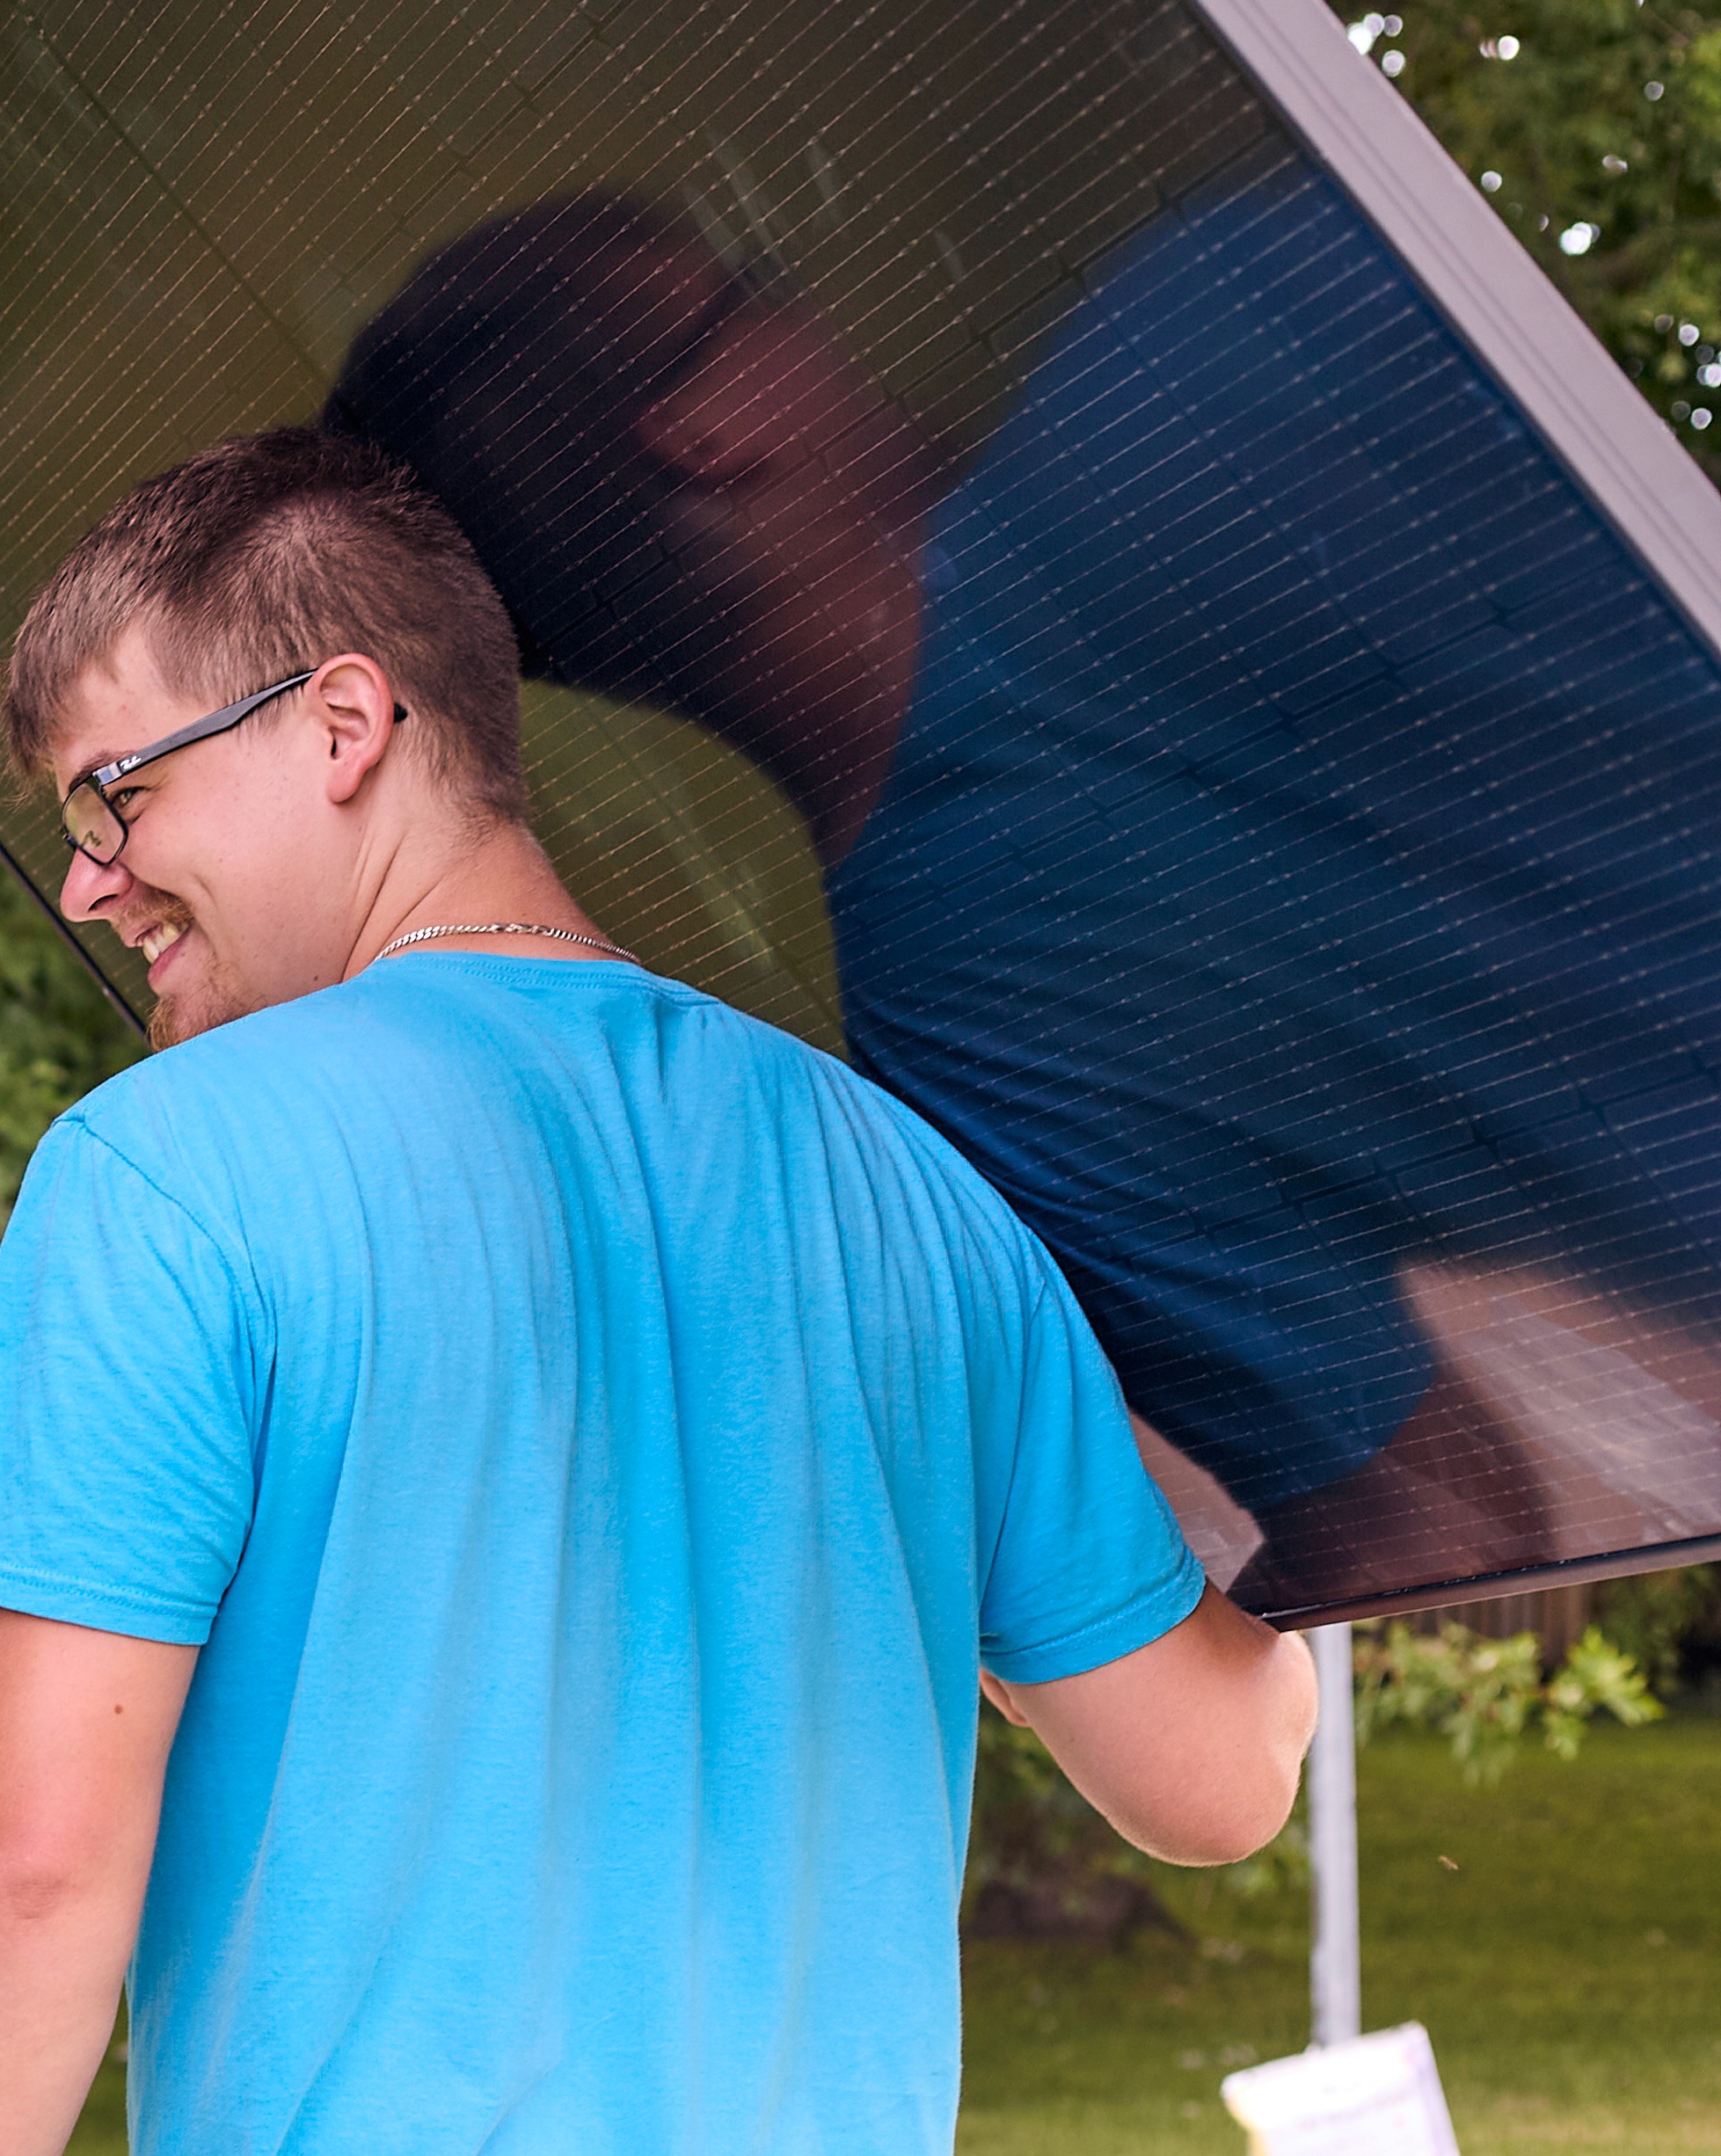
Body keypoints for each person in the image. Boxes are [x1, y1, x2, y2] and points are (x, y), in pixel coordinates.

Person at [0, 430, 1317, 2156]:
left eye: (117, 797)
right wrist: (1298, 1483)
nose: (85, 879)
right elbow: (1220, 1778)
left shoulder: (164, 1175)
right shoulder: (921, 1205)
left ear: (343, 722)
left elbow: (30, 1860)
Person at [324, 179, 1721, 1619]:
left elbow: (1438, 1528)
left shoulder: (960, 1040)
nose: (820, 317)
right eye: (757, 286)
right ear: (707, 429)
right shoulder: (1208, 349)